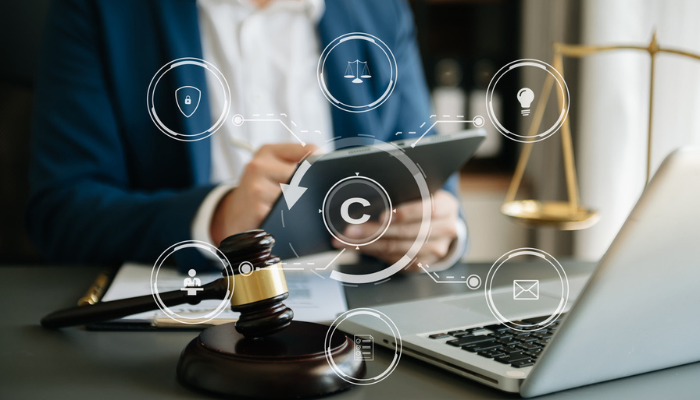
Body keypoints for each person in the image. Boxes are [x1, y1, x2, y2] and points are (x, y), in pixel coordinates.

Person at [27, 0, 467, 271]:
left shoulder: (381, 9)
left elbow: (428, 171)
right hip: (182, 316)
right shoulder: (101, 10)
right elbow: (61, 211)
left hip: (359, 319)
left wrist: (441, 231)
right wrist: (214, 219)